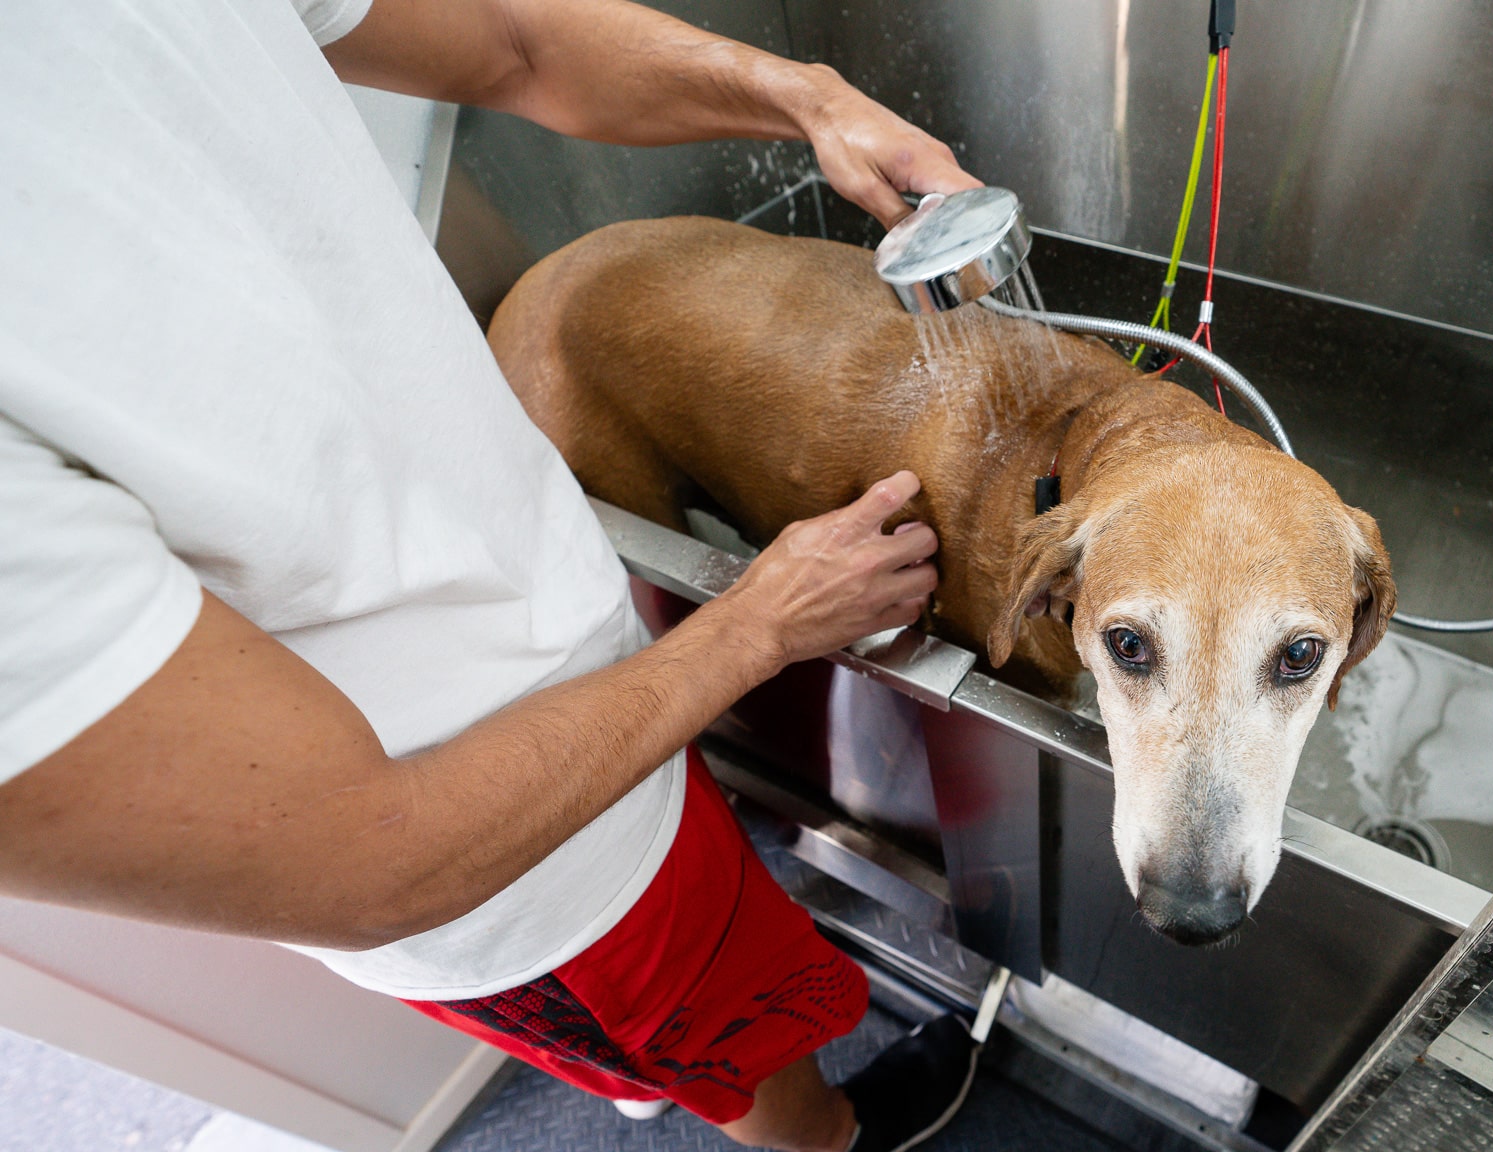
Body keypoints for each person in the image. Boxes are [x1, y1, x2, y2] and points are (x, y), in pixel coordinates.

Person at [0, 1, 984, 1150]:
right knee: (736, 1036)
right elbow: (376, 865)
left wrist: (806, 98)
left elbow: (512, 41)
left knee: (671, 1023)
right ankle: (820, 1134)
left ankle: (640, 1063)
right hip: (518, 882)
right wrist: (757, 626)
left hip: (588, 687)